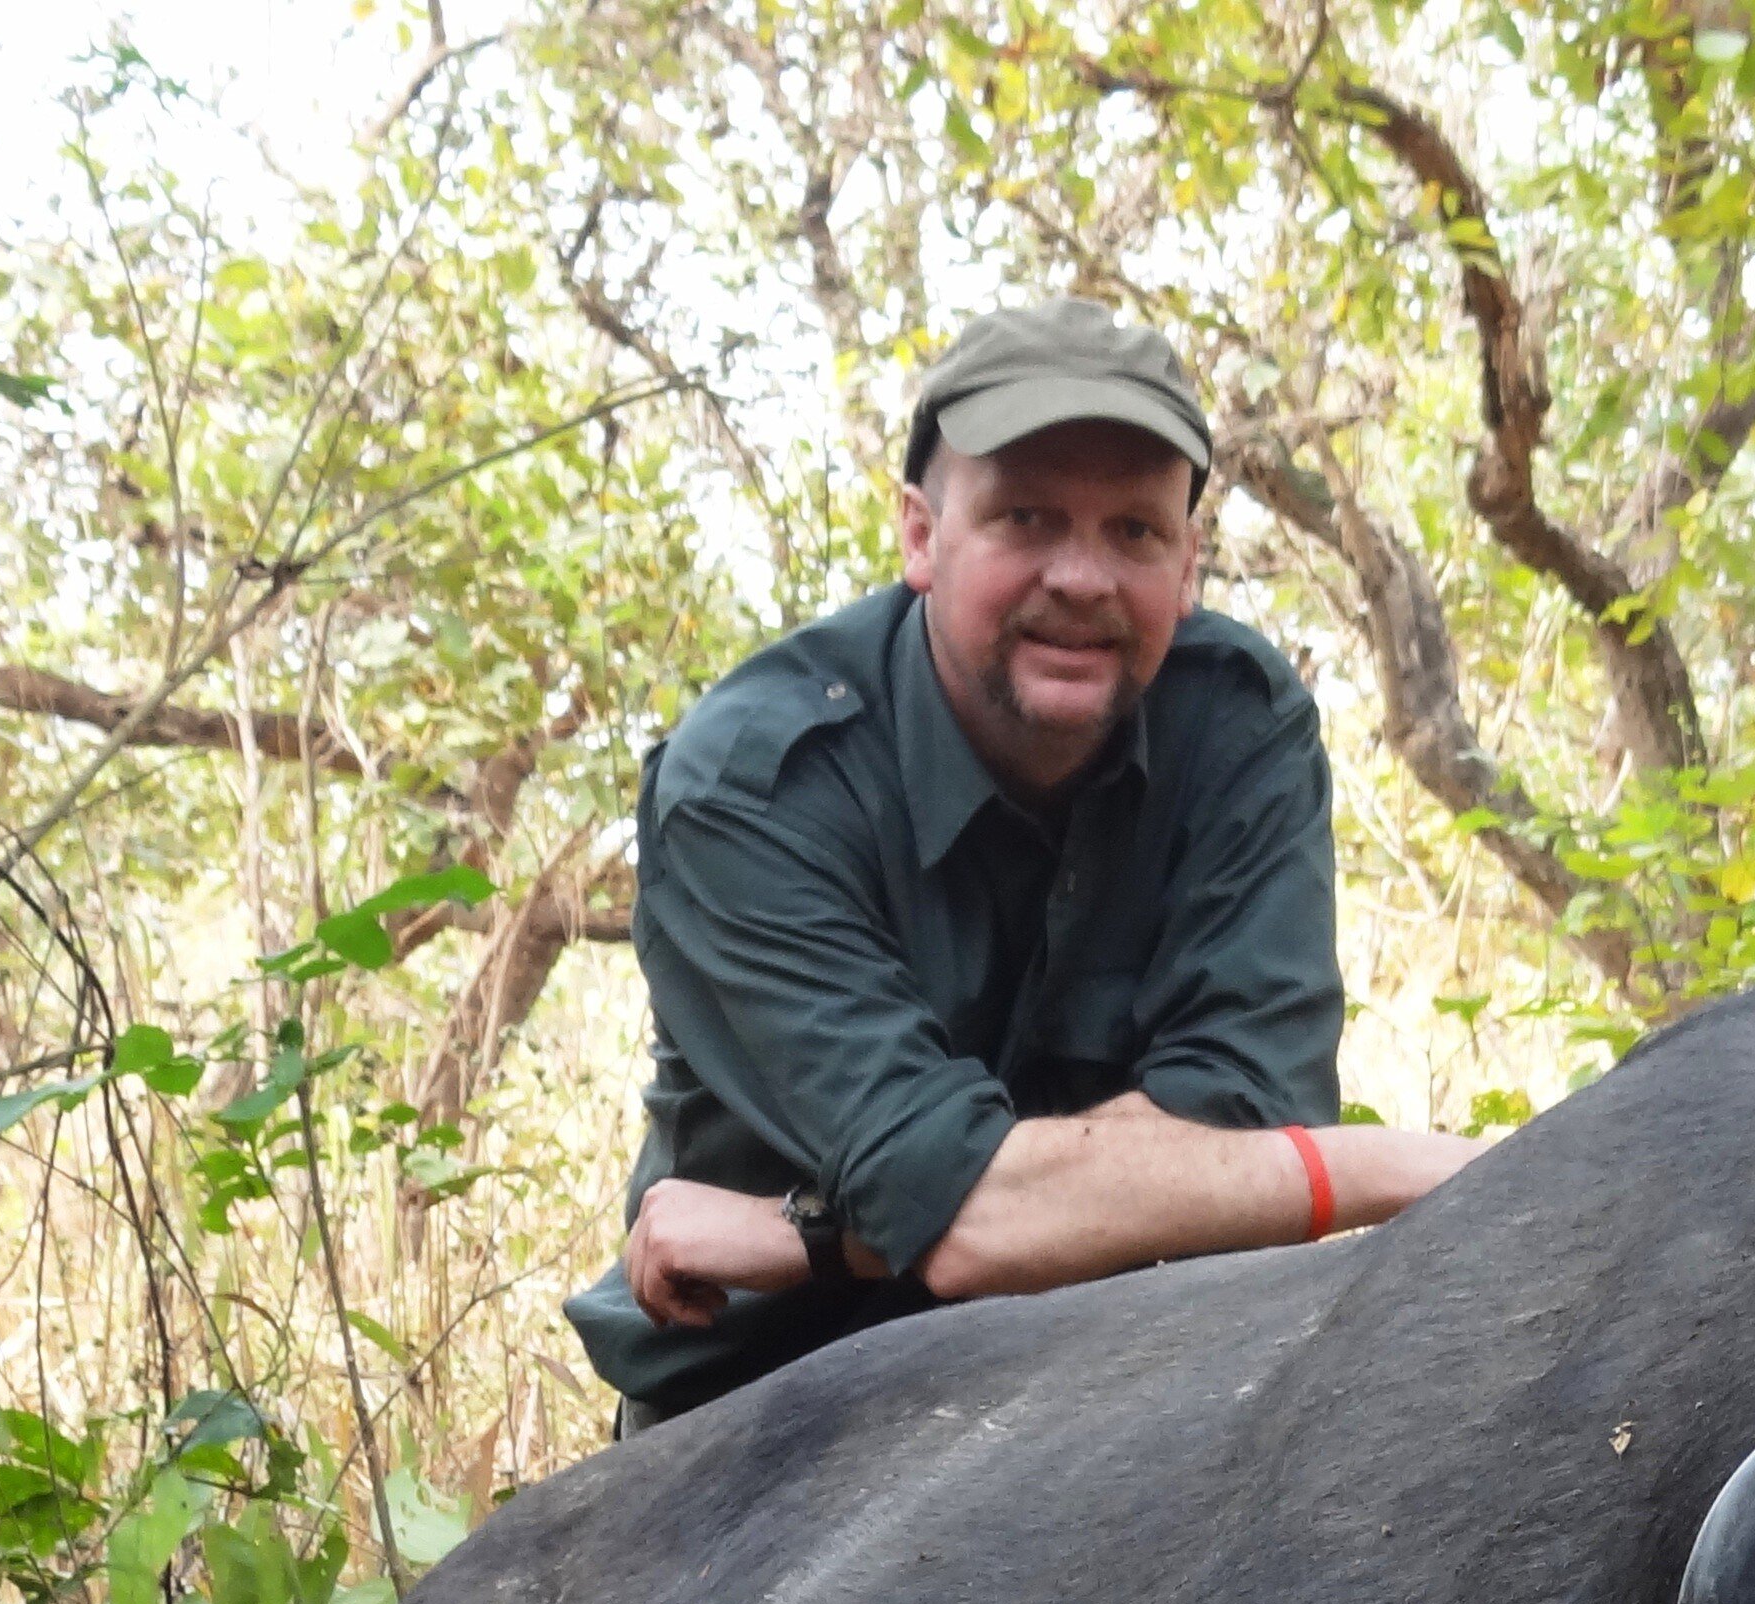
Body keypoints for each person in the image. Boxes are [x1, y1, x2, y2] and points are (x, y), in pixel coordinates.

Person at [570, 296, 1484, 1421]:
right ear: (921, 536)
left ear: (1188, 564)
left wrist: (805, 1233)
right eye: (1026, 519)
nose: (1084, 579)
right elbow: (987, 1212)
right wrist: (1380, 1170)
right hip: (766, 1400)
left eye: (1134, 532)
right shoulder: (753, 784)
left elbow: (1246, 1125)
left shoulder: (1239, 724)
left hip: (1105, 1364)